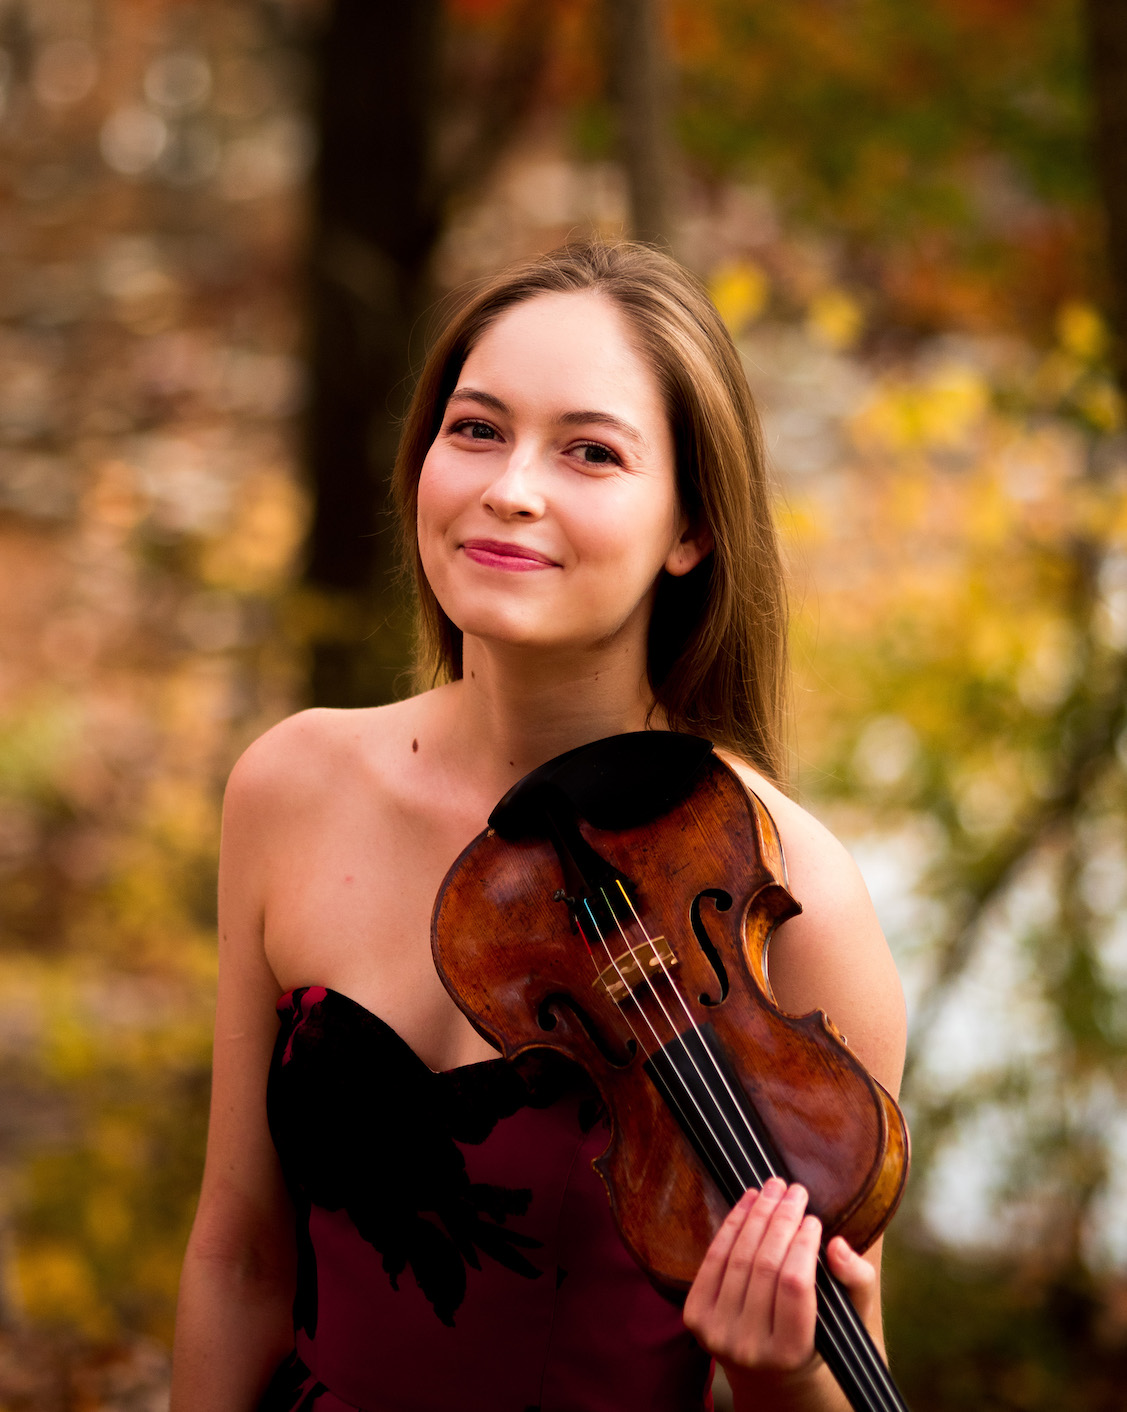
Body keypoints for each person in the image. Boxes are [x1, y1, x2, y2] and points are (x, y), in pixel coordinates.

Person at [170, 239, 907, 1412]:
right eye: (475, 429)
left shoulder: (784, 894)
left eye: (590, 451)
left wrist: (782, 1369)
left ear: (690, 530)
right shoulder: (290, 782)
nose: (510, 485)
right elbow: (242, 1252)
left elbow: (812, 1384)